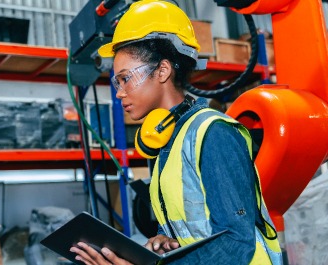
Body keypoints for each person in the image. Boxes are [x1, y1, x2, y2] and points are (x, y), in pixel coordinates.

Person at [69, 0, 282, 264]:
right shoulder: (163, 138)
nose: (119, 91)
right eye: (116, 81)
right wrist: (166, 240)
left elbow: (236, 244)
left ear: (162, 70)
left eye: (125, 78)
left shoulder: (213, 133)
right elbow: (193, 222)